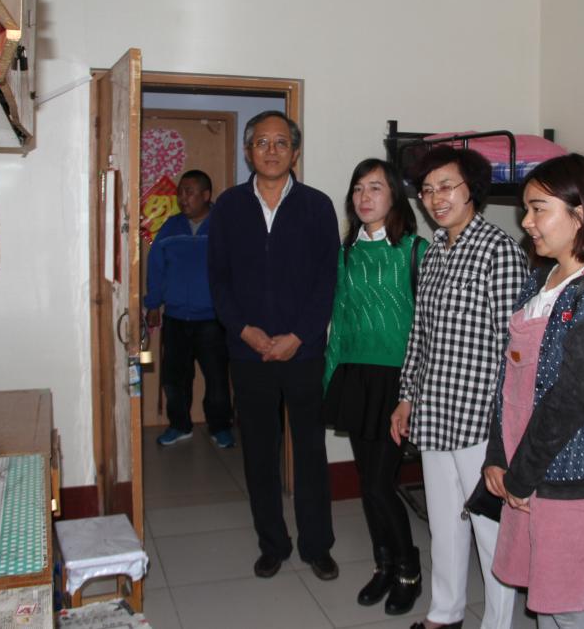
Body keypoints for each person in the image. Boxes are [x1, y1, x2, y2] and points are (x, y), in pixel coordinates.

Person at [482, 154, 584, 629]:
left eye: (538, 209)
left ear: (580, 213)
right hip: (527, 471)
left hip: (573, 482)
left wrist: (521, 474)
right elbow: (508, 381)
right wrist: (498, 456)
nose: (526, 222)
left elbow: (572, 398)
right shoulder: (540, 281)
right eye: (526, 209)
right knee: (546, 607)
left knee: (574, 611)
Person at [391, 146, 527, 629]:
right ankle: (444, 614)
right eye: (427, 190)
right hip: (435, 412)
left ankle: (497, 623)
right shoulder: (434, 253)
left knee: (491, 528)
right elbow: (420, 334)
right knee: (444, 523)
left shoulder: (498, 251)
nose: (436, 198)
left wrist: (504, 430)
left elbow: (514, 349)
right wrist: (406, 396)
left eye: (446, 186)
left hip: (479, 420)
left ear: (472, 190)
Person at [208, 110, 340, 581]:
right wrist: (244, 330)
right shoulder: (228, 206)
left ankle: (316, 545)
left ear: (295, 152)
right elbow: (218, 279)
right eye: (261, 142)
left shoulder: (317, 206)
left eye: (281, 142)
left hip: (303, 352)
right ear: (248, 152)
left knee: (309, 451)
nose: (271, 150)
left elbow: (327, 279)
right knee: (259, 453)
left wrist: (300, 335)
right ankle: (273, 543)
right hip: (248, 352)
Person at [323, 158, 427, 615]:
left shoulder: (415, 250)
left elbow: (428, 328)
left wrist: (415, 392)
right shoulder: (347, 253)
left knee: (382, 484)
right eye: (358, 189)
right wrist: (329, 380)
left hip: (397, 381)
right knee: (368, 484)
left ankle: (409, 569)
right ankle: (383, 565)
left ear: (394, 197)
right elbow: (340, 321)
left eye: (376, 188)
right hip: (356, 376)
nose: (365, 197)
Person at [144, 169, 234, 448]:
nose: (182, 198)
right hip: (175, 318)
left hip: (212, 319)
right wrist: (153, 303)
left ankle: (220, 426)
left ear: (206, 195)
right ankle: (179, 425)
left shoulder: (224, 226)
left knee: (217, 379)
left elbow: (238, 269)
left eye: (189, 192)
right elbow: (156, 267)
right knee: (174, 379)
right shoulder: (170, 227)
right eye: (180, 192)